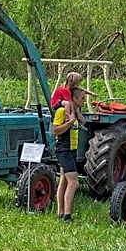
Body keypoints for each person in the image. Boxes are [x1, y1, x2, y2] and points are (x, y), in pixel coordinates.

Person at [54, 87, 86, 222]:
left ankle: (60, 212)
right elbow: (55, 131)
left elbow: (83, 122)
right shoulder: (62, 112)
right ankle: (67, 215)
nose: (84, 100)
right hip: (64, 149)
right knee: (74, 182)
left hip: (72, 150)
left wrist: (77, 114)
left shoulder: (74, 111)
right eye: (82, 98)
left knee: (64, 180)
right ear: (74, 98)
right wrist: (70, 122)